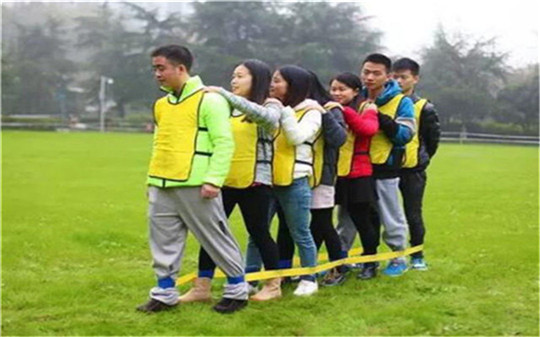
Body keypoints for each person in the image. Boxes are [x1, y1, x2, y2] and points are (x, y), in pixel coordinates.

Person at [137, 45, 248, 314]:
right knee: (162, 240)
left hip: (197, 184)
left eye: (161, 68)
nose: (157, 74)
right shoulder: (161, 105)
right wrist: (151, 180)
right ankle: (164, 292)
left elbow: (224, 142)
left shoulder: (209, 100)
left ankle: (237, 289)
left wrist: (214, 180)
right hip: (162, 183)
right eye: (155, 68)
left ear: (181, 69)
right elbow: (159, 143)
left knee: (214, 237)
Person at [179, 59, 283, 302]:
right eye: (233, 76)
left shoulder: (271, 104)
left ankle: (273, 284)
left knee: (259, 232)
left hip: (256, 183)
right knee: (211, 233)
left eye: (240, 76)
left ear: (256, 79)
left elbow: (267, 119)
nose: (233, 81)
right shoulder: (225, 107)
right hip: (223, 180)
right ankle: (201, 287)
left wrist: (224, 94)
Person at [276, 70, 348, 286]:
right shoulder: (289, 108)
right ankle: (285, 271)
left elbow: (339, 138)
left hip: (321, 175)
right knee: (285, 224)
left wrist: (324, 114)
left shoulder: (327, 108)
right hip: (292, 174)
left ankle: (338, 267)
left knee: (322, 221)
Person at [360, 53, 416, 276]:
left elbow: (405, 135)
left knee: (391, 215)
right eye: (366, 72)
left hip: (386, 168)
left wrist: (380, 119)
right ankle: (355, 259)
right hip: (355, 168)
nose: (370, 77)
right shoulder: (356, 96)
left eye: (376, 73)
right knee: (352, 216)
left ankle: (398, 257)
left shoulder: (401, 101)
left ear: (388, 76)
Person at [330, 72, 381, 280]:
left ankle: (370, 261)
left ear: (355, 91)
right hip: (337, 173)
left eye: (342, 89)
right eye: (333, 89)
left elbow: (368, 129)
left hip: (359, 173)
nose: (336, 93)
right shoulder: (331, 109)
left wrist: (343, 111)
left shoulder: (367, 108)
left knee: (362, 220)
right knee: (335, 220)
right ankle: (339, 261)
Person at [392, 57, 441, 270]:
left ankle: (417, 255)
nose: (398, 81)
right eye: (395, 77)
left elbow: (432, 140)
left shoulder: (424, 107)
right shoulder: (385, 102)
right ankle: (379, 256)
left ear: (415, 79)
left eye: (403, 77)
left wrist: (421, 160)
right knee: (380, 213)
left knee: (413, 212)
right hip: (386, 169)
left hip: (413, 171)